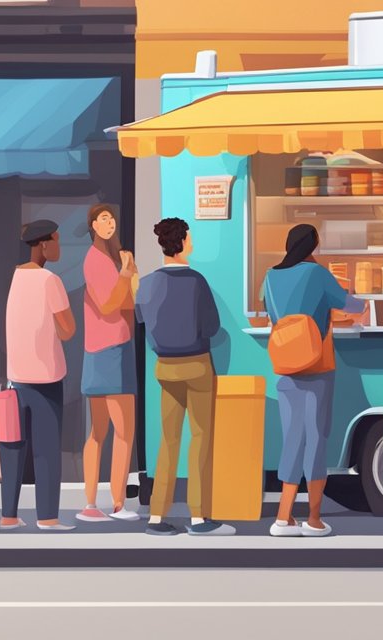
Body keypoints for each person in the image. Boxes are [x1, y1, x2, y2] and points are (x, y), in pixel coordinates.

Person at [262, 224, 364, 538]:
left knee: (292, 440)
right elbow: (351, 306)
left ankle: (283, 518)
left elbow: (268, 308)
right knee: (316, 440)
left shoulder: (270, 275)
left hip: (286, 368)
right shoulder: (316, 274)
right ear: (313, 246)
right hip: (317, 367)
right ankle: (315, 519)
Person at [134, 217, 234, 536]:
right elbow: (212, 327)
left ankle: (157, 516)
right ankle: (200, 517)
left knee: (169, 440)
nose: (191, 242)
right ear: (182, 242)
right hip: (197, 365)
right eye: (189, 237)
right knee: (201, 439)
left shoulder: (147, 283)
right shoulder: (196, 281)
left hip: (164, 367)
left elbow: (141, 320)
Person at [0, 220, 76, 532]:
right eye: (56, 240)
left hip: (16, 379)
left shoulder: (16, 277)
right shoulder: (50, 280)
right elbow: (68, 330)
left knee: (14, 448)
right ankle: (47, 517)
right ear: (43, 245)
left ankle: (8, 516)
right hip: (46, 379)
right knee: (46, 451)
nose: (59, 246)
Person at [76, 205, 140, 523]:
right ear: (92, 226)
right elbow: (109, 304)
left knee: (99, 431)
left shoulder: (112, 258)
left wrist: (128, 271)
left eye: (112, 218)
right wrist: (127, 273)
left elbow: (129, 299)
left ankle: (92, 502)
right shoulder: (97, 261)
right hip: (112, 348)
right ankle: (117, 503)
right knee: (122, 431)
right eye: (103, 219)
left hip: (99, 350)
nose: (110, 223)